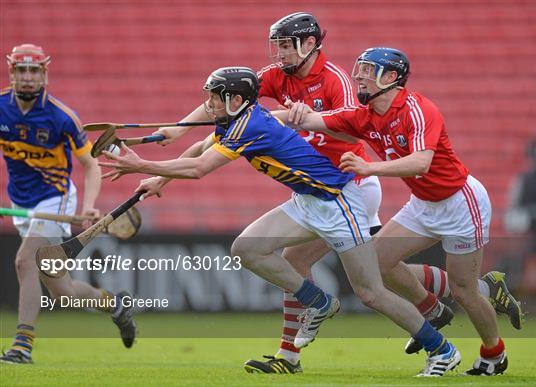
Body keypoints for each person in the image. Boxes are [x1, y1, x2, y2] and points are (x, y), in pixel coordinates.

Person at [153, 13, 521, 374]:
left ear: (310, 44)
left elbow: (359, 132)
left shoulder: (339, 82)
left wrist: (298, 126)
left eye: (287, 45)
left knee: (387, 285)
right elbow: (233, 98)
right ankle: (427, 310)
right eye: (276, 45)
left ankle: (466, 330)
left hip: (351, 186)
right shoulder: (277, 76)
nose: (279, 54)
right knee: (362, 268)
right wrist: (179, 128)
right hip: (335, 189)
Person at [100, 66, 461, 377]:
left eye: (214, 97)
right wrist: (158, 175)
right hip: (306, 202)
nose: (208, 104)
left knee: (371, 292)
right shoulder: (237, 121)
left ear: (235, 100)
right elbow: (198, 150)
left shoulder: (250, 126)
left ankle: (442, 350)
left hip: (337, 204)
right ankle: (319, 301)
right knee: (247, 248)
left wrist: (140, 165)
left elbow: (199, 168)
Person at [277, 47, 522, 375]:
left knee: (464, 291)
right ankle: (432, 310)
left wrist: (369, 167)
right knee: (375, 263)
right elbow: (310, 120)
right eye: (359, 69)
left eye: (368, 70)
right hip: (423, 204)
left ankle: (494, 353)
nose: (359, 76)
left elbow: (422, 162)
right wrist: (261, 116)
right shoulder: (365, 116)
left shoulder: (417, 108)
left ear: (391, 77)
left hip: (461, 204)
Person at [0, 44, 136, 364]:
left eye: (34, 71)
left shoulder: (62, 117)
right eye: (22, 71)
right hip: (22, 202)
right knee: (64, 292)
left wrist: (88, 206)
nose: (28, 78)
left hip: (56, 198)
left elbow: (90, 164)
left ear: (44, 74)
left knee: (25, 261)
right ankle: (115, 306)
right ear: (12, 74)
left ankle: (22, 345)